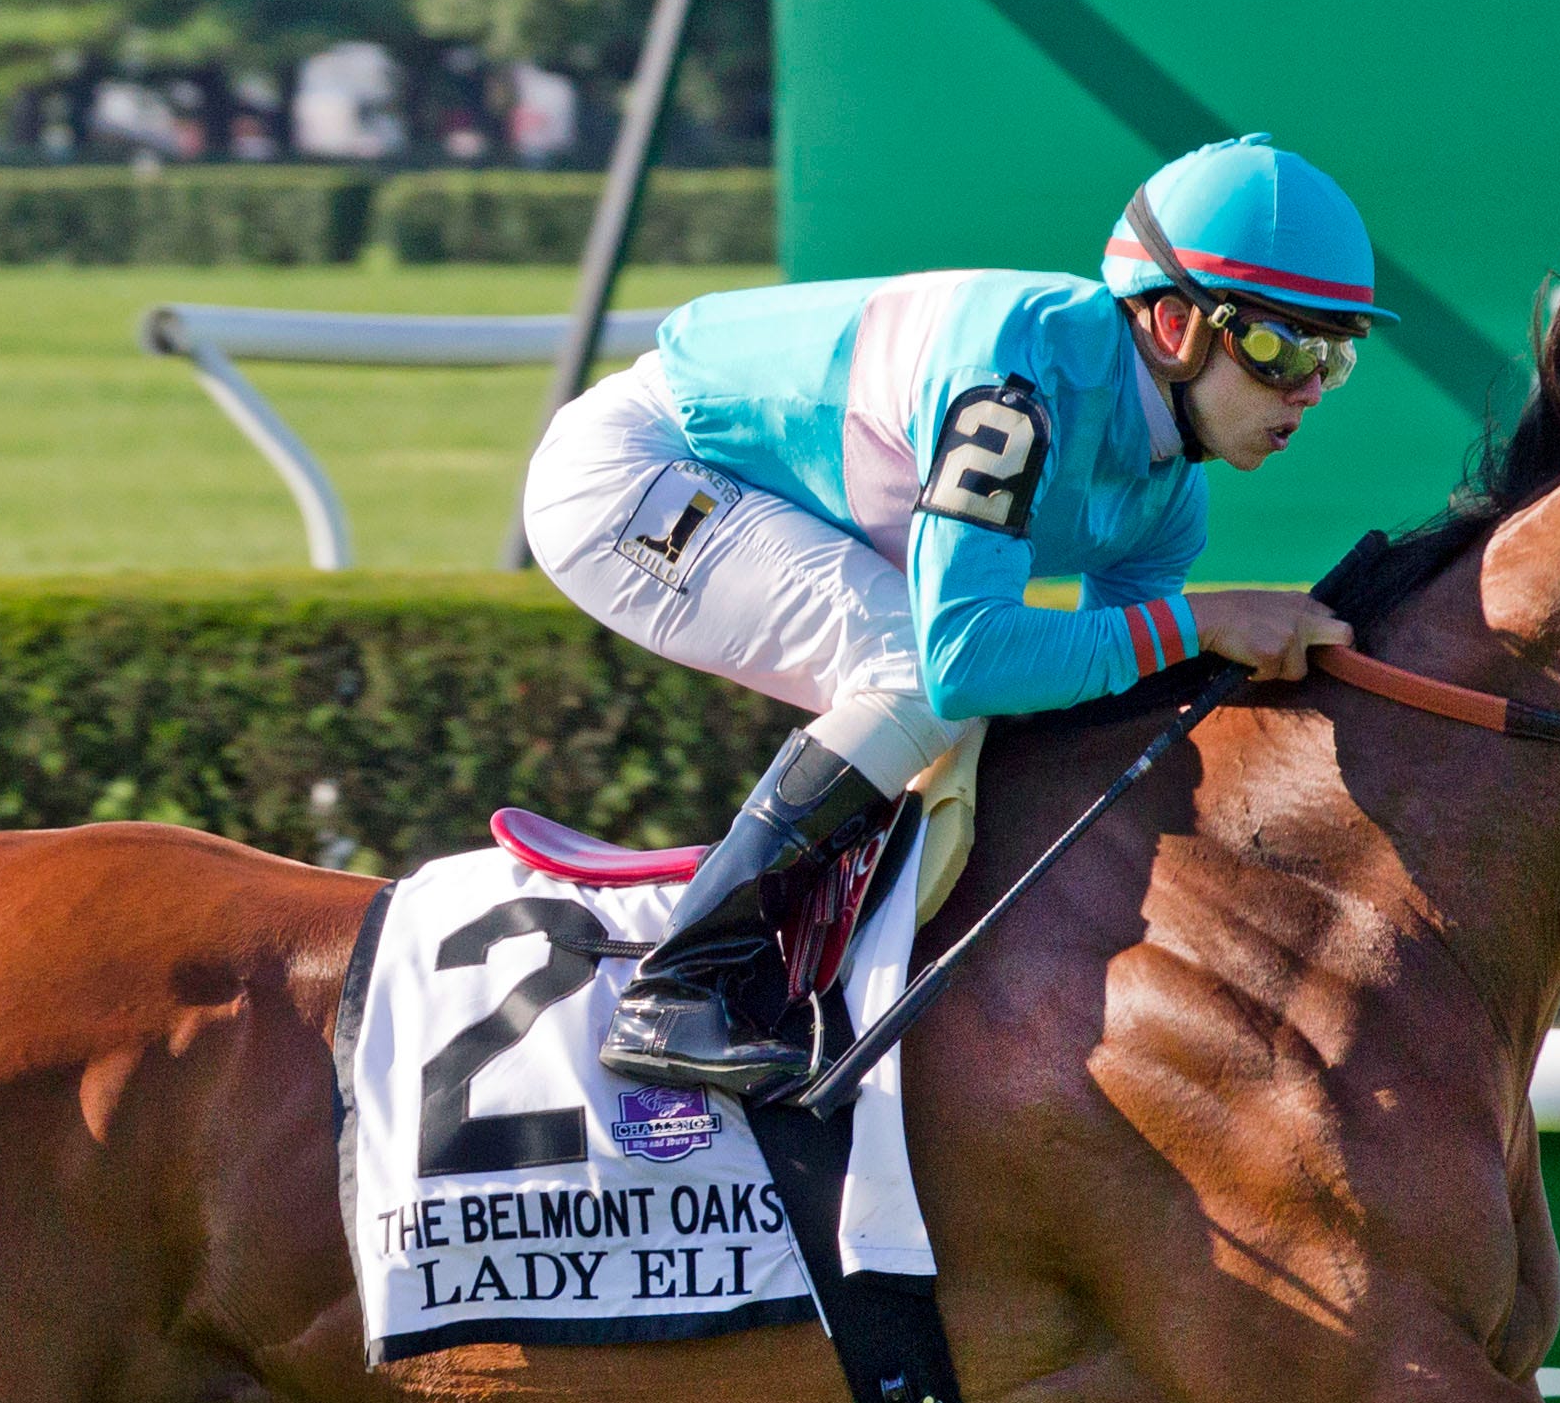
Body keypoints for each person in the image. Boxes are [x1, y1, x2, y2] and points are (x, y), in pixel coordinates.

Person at [522, 133, 1384, 1097]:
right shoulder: (1014, 386)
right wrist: (1204, 621)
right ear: (1175, 325)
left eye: (1334, 357)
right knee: (911, 669)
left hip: (759, 491)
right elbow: (965, 660)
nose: (1307, 387)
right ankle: (677, 987)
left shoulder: (1168, 500)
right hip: (632, 471)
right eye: (1279, 345)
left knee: (979, 706)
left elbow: (1093, 696)